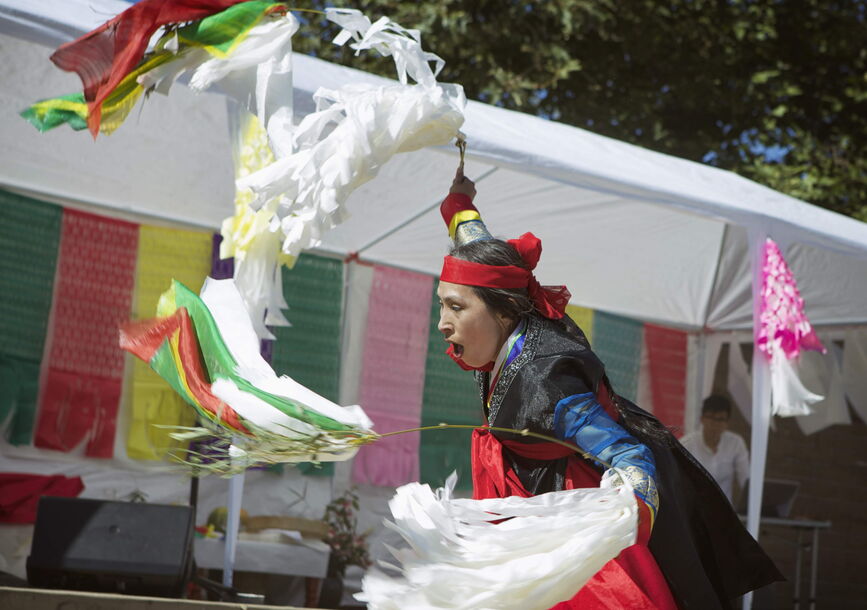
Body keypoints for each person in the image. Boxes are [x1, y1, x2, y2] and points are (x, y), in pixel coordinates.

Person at [435, 169, 782, 610]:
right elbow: (474, 239)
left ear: (503, 312)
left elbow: (627, 454)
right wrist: (460, 204)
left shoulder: (546, 380)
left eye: (455, 307)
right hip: (530, 493)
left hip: (566, 502)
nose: (443, 322)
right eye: (442, 304)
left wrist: (625, 515)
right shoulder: (505, 297)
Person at [680, 395, 750, 505]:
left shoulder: (736, 443)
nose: (715, 424)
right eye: (711, 418)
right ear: (702, 419)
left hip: (723, 511)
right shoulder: (686, 444)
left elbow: (745, 481)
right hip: (691, 511)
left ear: (727, 423)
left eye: (721, 419)